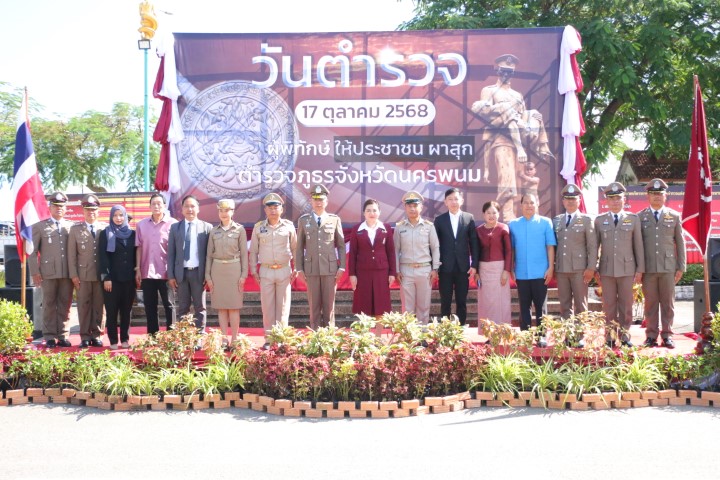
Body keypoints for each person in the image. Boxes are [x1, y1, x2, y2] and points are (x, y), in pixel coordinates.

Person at [472, 54, 554, 222]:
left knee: (519, 179)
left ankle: (542, 146)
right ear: (497, 71)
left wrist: (531, 117)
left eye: (509, 72)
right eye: (503, 71)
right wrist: (502, 108)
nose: (506, 75)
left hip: (518, 136)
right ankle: (508, 214)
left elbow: (522, 115)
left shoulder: (517, 95)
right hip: (500, 138)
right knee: (507, 177)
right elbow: (483, 111)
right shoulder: (489, 90)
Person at [595, 182, 644, 348]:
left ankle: (624, 336)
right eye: (612, 198)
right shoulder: (600, 220)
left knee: (626, 305)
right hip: (607, 270)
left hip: (627, 269)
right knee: (609, 305)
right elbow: (595, 246)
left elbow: (638, 246)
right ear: (607, 201)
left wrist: (640, 269)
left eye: (618, 198)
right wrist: (594, 268)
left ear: (624, 200)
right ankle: (609, 336)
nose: (615, 201)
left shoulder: (633, 219)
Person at [639, 179, 686, 349]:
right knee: (650, 304)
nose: (657, 197)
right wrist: (638, 268)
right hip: (648, 268)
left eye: (660, 194)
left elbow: (680, 242)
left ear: (665, 196)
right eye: (653, 194)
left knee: (668, 303)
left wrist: (681, 266)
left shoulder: (674, 216)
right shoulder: (640, 217)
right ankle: (651, 336)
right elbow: (636, 245)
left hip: (668, 267)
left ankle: (667, 335)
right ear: (648, 196)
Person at [249, 193, 297, 345]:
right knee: (267, 307)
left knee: (283, 307)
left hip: (284, 270)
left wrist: (297, 268)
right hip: (266, 270)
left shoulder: (289, 226)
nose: (273, 210)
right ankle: (269, 340)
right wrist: (253, 270)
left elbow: (295, 248)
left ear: (281, 209)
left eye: (276, 207)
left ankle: (281, 339)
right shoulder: (259, 227)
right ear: (265, 210)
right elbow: (253, 251)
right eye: (270, 207)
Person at [509, 193, 556, 347]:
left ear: (537, 204)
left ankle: (542, 336)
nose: (529, 205)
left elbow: (550, 246)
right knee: (524, 305)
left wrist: (550, 267)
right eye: (526, 203)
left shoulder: (545, 222)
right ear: (521, 205)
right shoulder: (513, 224)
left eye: (532, 202)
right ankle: (525, 335)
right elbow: (512, 249)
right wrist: (511, 268)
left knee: (541, 306)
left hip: (540, 272)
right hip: (521, 272)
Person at [553, 184, 597, 347]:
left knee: (580, 304)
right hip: (562, 268)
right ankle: (568, 335)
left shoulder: (586, 220)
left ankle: (580, 336)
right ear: (563, 201)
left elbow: (592, 246)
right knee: (564, 304)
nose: (570, 202)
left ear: (579, 201)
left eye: (574, 199)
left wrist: (591, 268)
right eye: (567, 199)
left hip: (580, 270)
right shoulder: (557, 220)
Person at [296, 184, 346, 328]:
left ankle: (329, 336)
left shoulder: (334, 220)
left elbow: (341, 245)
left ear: (326, 202)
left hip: (330, 269)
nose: (318, 202)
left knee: (329, 306)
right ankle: (315, 336)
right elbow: (299, 247)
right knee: (314, 307)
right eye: (315, 199)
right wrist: (299, 268)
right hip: (311, 269)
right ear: (311, 201)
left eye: (321, 199)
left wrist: (342, 266)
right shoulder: (304, 220)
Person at [28, 191, 74, 348]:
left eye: (61, 206)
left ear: (66, 208)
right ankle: (49, 336)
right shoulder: (40, 226)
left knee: (65, 305)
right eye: (55, 206)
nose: (59, 208)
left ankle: (63, 335)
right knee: (49, 304)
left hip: (67, 272)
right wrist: (35, 272)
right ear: (50, 208)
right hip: (47, 273)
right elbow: (32, 252)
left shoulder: (71, 226)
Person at [348, 199, 397, 334]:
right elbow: (353, 253)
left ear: (379, 212)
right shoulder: (357, 229)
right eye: (368, 210)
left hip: (381, 272)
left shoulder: (386, 228)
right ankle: (365, 336)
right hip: (362, 273)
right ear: (364, 213)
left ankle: (378, 336)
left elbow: (391, 251)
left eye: (374, 210)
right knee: (364, 304)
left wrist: (392, 273)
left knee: (380, 305)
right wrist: (352, 274)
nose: (372, 213)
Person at [168, 195, 213, 336]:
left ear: (198, 208)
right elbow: (171, 253)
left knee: (200, 307)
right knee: (183, 307)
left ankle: (200, 336)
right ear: (182, 209)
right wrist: (171, 275)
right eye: (186, 206)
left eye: (193, 206)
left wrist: (208, 275)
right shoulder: (175, 228)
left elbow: (210, 255)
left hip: (199, 273)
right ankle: (184, 336)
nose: (190, 209)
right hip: (181, 274)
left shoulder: (207, 228)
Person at [205, 199, 248, 349]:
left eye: (227, 210)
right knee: (221, 307)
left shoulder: (240, 230)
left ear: (232, 211)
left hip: (234, 269)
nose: (224, 213)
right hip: (217, 270)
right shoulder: (213, 231)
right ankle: (224, 340)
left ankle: (235, 339)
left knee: (234, 306)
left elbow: (244, 254)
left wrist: (243, 275)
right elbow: (209, 255)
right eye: (221, 210)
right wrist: (208, 276)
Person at [434, 188, 480, 326]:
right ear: (445, 202)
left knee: (461, 301)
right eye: (450, 199)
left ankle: (461, 328)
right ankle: (445, 330)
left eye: (456, 199)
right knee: (445, 301)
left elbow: (473, 242)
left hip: (463, 267)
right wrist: (435, 266)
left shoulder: (468, 218)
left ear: (462, 201)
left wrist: (474, 265)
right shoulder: (439, 220)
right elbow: (434, 244)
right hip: (445, 267)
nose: (453, 202)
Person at [393, 191, 440, 325]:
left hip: (424, 270)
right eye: (409, 206)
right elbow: (395, 250)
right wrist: (397, 270)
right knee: (407, 308)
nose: (412, 209)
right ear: (405, 207)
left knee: (423, 306)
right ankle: (408, 334)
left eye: (415, 206)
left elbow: (435, 248)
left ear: (421, 207)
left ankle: (422, 333)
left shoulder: (429, 226)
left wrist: (435, 268)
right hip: (406, 271)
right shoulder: (399, 227)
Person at [135, 193, 177, 335]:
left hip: (166, 272)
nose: (156, 206)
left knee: (169, 305)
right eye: (153, 204)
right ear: (149, 206)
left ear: (165, 206)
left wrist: (173, 272)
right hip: (147, 271)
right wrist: (138, 269)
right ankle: (153, 336)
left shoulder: (173, 224)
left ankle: (172, 336)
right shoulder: (141, 225)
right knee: (150, 306)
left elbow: (176, 249)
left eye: (159, 203)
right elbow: (139, 247)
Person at [68, 194, 106, 348]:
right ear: (83, 211)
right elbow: (71, 255)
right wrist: (73, 275)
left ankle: (97, 335)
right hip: (82, 276)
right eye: (88, 210)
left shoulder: (104, 228)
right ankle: (84, 336)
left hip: (100, 275)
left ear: (98, 211)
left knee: (99, 306)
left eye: (94, 210)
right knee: (83, 306)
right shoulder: (75, 230)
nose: (91, 212)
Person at [98, 205, 137, 350]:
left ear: (125, 216)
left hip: (129, 279)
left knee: (126, 311)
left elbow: (136, 255)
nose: (118, 218)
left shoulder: (132, 234)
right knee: (112, 311)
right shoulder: (106, 233)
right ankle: (113, 340)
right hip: (112, 280)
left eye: (121, 215)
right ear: (111, 217)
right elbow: (103, 257)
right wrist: (106, 277)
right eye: (115, 215)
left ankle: (125, 339)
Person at [475, 201, 512, 326]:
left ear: (499, 214)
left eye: (494, 213)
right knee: (485, 302)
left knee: (501, 301)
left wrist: (506, 271)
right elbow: (476, 253)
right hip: (483, 270)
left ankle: (502, 330)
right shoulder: (478, 230)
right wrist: (477, 272)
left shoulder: (503, 228)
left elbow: (509, 251)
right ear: (483, 214)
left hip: (500, 269)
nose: (491, 215)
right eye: (488, 213)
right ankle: (487, 331)